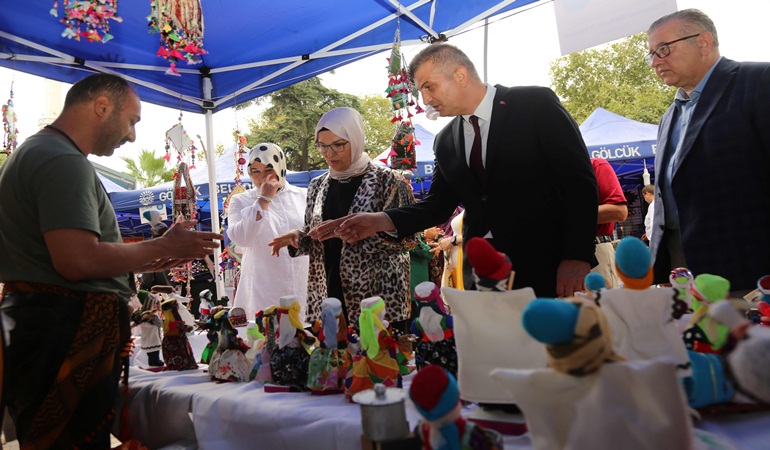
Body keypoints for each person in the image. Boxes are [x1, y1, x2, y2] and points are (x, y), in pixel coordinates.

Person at [0, 73, 223, 449]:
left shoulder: (40, 152)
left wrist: (144, 258)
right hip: (61, 330)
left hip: (45, 326)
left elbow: (61, 257)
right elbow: (77, 260)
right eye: (132, 120)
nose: (132, 135)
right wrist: (159, 246)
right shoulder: (61, 160)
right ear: (102, 107)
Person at [311, 44, 598, 298]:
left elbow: (578, 183)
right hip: (481, 276)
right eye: (420, 91)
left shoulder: (534, 104)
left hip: (549, 266)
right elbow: (437, 205)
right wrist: (379, 220)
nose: (425, 100)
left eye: (429, 87)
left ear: (460, 75)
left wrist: (577, 256)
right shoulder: (445, 140)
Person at [645, 9, 770, 292]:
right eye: (651, 54)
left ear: (703, 42)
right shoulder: (668, 117)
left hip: (749, 267)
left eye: (663, 50)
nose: (655, 62)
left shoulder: (760, 82)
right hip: (683, 268)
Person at [269, 107, 415, 327]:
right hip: (329, 292)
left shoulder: (390, 181)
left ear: (355, 140)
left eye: (338, 145)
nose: (329, 153)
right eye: (322, 146)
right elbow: (317, 235)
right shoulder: (317, 185)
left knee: (379, 350)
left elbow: (409, 239)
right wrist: (299, 238)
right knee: (333, 348)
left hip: (378, 297)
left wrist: (363, 234)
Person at [226, 143, 309, 320]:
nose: (262, 177)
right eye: (255, 171)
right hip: (263, 288)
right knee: (266, 332)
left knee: (306, 332)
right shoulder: (241, 201)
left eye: (269, 170)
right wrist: (263, 200)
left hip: (303, 284)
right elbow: (241, 239)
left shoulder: (304, 195)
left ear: (280, 168)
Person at [590, 158, 628, 288]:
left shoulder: (595, 165)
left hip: (594, 248)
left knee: (601, 300)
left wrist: (565, 217)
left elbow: (619, 212)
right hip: (553, 251)